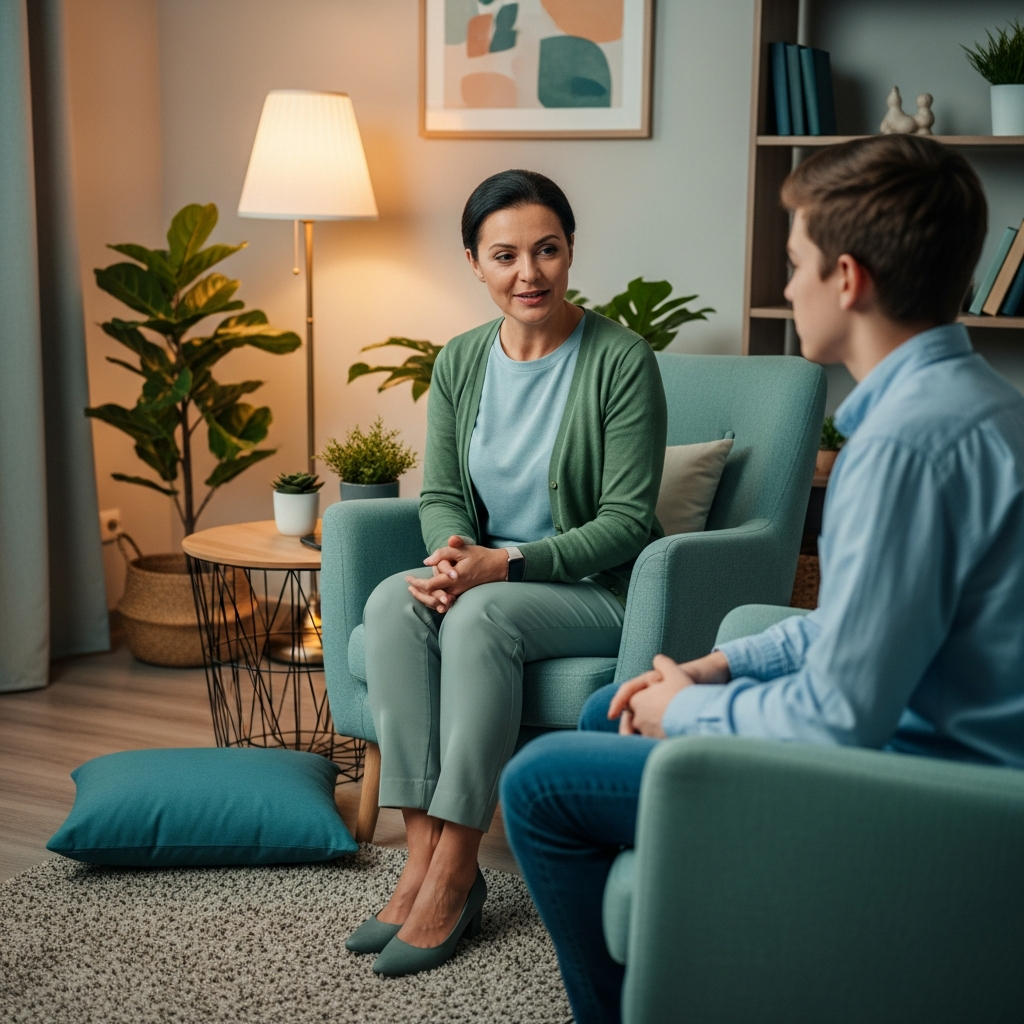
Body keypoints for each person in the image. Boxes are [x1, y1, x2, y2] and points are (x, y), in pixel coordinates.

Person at [500, 134, 1024, 1024]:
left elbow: (840, 720)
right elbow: (874, 621)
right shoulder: (985, 408)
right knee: (604, 712)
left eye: (794, 264)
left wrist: (686, 713)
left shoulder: (901, 449)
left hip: (928, 798)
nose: (786, 288)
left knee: (540, 783)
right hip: (951, 761)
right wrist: (722, 667)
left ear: (847, 279)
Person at [347, 169, 668, 977]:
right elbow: (443, 494)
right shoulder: (460, 361)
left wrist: (505, 565)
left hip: (595, 589)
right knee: (391, 604)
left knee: (480, 615)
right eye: (506, 255)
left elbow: (626, 523)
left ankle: (458, 868)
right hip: (487, 574)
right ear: (474, 263)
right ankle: (419, 859)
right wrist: (451, 555)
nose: (530, 273)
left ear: (570, 251)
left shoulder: (622, 361)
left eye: (547, 250)